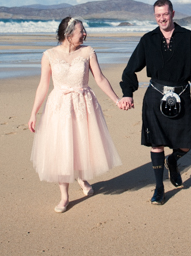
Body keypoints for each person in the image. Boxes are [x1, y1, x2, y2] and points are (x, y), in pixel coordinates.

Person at [28, 17, 123, 213]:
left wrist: (116, 100)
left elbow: (100, 78)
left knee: (81, 143)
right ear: (68, 34)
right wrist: (33, 113)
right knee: (62, 148)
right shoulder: (49, 55)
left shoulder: (88, 52)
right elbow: (43, 86)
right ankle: (64, 196)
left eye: (84, 30)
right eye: (81, 31)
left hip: (83, 104)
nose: (85, 34)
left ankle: (82, 177)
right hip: (59, 106)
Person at [118, 0, 191, 205]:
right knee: (156, 143)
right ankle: (159, 188)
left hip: (182, 93)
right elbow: (131, 68)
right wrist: (127, 92)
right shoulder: (148, 39)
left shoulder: (188, 37)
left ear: (173, 13)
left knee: (186, 143)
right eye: (158, 15)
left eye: (165, 14)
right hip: (155, 96)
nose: (161, 19)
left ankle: (173, 160)